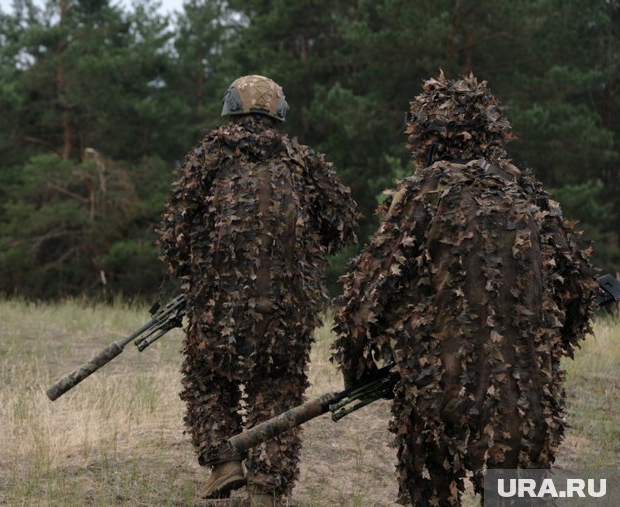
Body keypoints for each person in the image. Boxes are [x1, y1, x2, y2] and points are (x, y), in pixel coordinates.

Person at [332, 72, 596, 507]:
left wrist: (355, 365)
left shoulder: (424, 190)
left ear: (425, 136)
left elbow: (367, 293)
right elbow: (580, 287)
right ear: (492, 132)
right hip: (524, 396)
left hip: (436, 392)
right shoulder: (530, 195)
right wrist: (546, 349)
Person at [159, 75, 359, 505]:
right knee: (279, 386)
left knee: (208, 377)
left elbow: (174, 233)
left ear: (231, 106)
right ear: (279, 111)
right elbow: (342, 223)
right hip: (289, 307)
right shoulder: (302, 161)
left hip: (218, 306)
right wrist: (305, 251)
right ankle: (267, 486)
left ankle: (224, 463)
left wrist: (194, 275)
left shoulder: (209, 156)